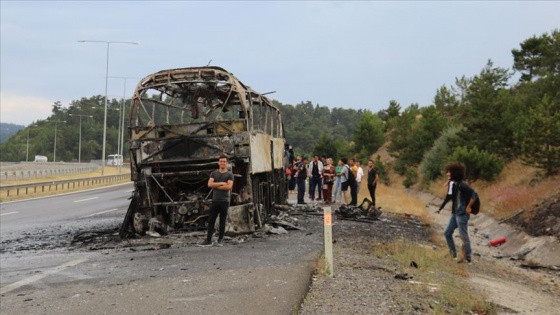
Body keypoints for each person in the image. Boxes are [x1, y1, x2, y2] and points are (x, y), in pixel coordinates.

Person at [438, 162, 478, 263]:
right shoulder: (455, 184)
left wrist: (469, 207)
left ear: (455, 173)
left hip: (462, 214)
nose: (447, 174)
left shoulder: (463, 185)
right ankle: (453, 254)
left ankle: (467, 257)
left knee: (463, 235)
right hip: (455, 213)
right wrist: (448, 181)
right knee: (447, 232)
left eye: (449, 172)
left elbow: (474, 194)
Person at [199, 155, 234, 247]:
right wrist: (222, 183)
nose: (222, 163)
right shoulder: (214, 174)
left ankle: (220, 240)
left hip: (224, 201)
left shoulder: (229, 175)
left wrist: (216, 185)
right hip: (215, 200)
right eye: (221, 161)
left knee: (222, 221)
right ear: (218, 163)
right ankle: (208, 240)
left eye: (224, 161)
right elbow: (209, 184)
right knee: (211, 221)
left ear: (226, 163)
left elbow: (229, 187)